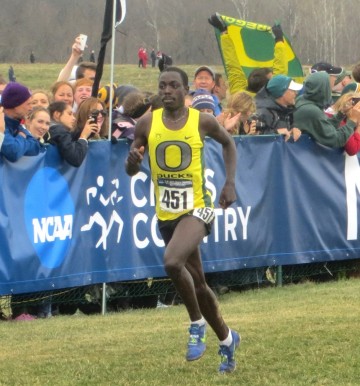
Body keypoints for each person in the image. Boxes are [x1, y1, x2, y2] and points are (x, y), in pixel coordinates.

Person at [125, 66, 240, 373]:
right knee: (199, 285)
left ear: (185, 91)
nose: (167, 91)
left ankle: (196, 324)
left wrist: (230, 183)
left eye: (174, 86)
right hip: (166, 212)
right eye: (162, 85)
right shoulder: (147, 123)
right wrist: (132, 161)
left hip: (198, 208)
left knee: (172, 262)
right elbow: (131, 168)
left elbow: (229, 143)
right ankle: (228, 340)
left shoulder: (201, 120)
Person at [208, 14, 288, 96]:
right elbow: (280, 74)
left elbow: (232, 64)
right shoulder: (272, 97)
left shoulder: (238, 94)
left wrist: (223, 31)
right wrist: (279, 41)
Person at [293, 71, 360, 148]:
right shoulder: (311, 111)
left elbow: (325, 126)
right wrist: (352, 121)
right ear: (323, 89)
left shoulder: (303, 100)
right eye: (329, 87)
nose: (331, 90)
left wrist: (341, 114)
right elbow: (336, 140)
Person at [1, 82, 42, 162]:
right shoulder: (2, 124)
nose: (31, 108)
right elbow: (13, 152)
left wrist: (18, 144)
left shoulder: (16, 123)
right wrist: (21, 137)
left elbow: (36, 146)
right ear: (15, 106)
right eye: (28, 104)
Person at [255, 74, 303, 140]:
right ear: (281, 92)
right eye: (292, 90)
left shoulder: (288, 112)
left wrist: (293, 129)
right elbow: (254, 139)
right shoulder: (262, 112)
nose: (296, 93)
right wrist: (275, 133)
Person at [47, 101, 95, 166]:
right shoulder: (59, 130)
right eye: (70, 114)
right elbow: (76, 159)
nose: (74, 118)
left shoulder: (53, 130)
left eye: (73, 115)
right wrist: (83, 137)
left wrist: (89, 131)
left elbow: (70, 137)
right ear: (57, 115)